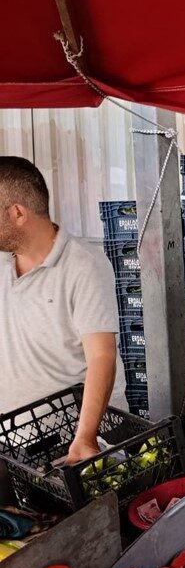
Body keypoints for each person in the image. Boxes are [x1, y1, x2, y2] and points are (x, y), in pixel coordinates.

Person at [0, 156, 127, 463]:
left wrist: (85, 438)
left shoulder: (83, 264)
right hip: (15, 442)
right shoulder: (3, 262)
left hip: (78, 442)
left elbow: (102, 357)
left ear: (17, 213)